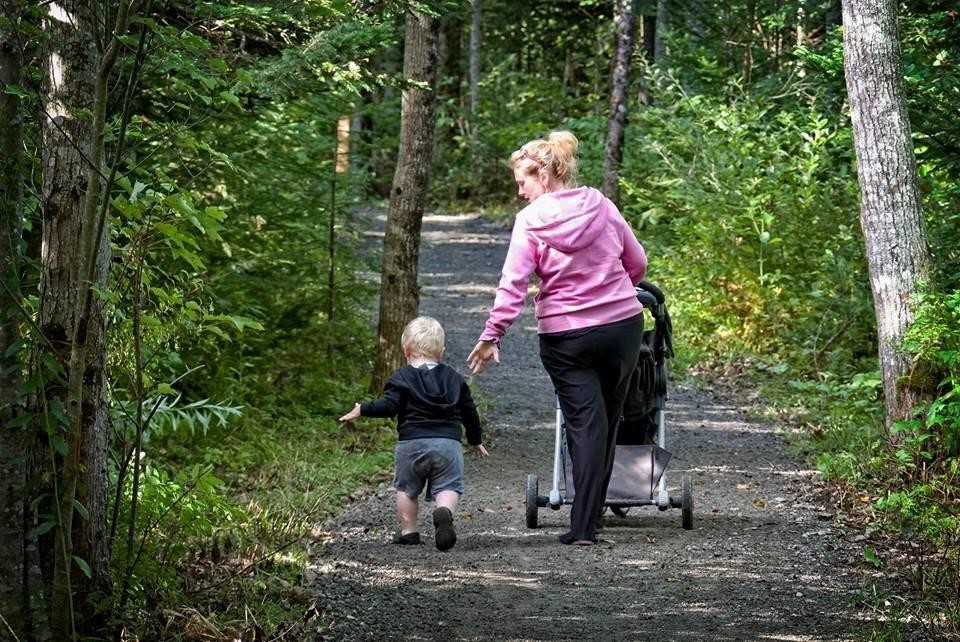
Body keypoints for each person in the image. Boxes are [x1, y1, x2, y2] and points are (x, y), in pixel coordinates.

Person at [467, 130, 646, 546]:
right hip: (622, 327)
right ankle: (592, 518)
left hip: (567, 337)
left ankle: (583, 528)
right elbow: (637, 261)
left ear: (543, 175)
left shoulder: (530, 222)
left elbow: (513, 284)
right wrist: (613, 291)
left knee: (585, 425)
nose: (520, 192)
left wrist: (493, 334)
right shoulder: (601, 204)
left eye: (522, 182)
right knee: (607, 420)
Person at [340, 316, 489, 551]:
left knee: (407, 489)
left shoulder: (401, 377)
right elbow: (469, 412)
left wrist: (363, 408)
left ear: (406, 350)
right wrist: (475, 440)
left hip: (411, 444)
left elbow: (389, 406)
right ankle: (444, 512)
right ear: (441, 351)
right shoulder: (455, 379)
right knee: (448, 485)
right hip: (448, 444)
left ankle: (409, 532)